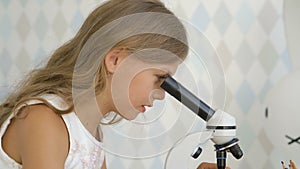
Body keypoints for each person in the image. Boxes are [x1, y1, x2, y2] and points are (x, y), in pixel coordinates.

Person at [0, 0, 229, 168]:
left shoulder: (91, 133)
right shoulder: (44, 120)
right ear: (115, 60)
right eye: (161, 79)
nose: (162, 94)